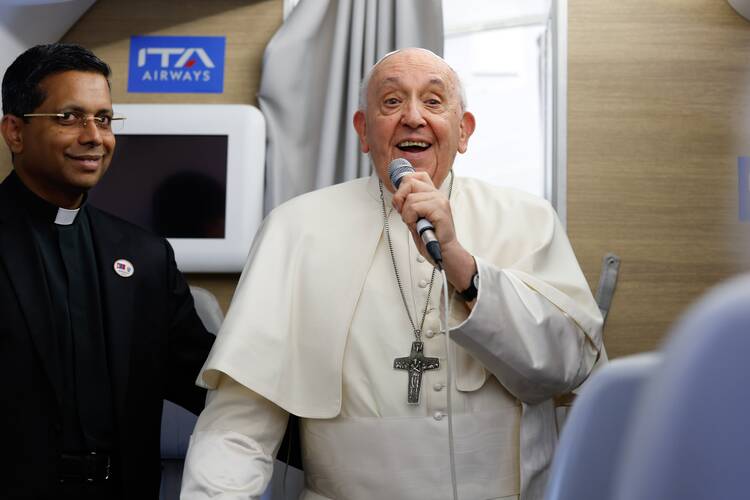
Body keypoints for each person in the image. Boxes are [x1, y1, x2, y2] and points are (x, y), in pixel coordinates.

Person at [181, 48, 604, 500]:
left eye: (434, 101)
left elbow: (567, 367)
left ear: (464, 131)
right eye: (391, 102)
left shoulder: (527, 219)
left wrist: (463, 264)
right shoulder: (296, 229)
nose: (413, 117)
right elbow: (237, 426)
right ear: (364, 131)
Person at [0, 43, 215, 499]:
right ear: (15, 132)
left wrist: (339, 440)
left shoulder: (146, 256)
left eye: (103, 118)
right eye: (69, 117)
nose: (94, 135)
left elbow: (206, 379)